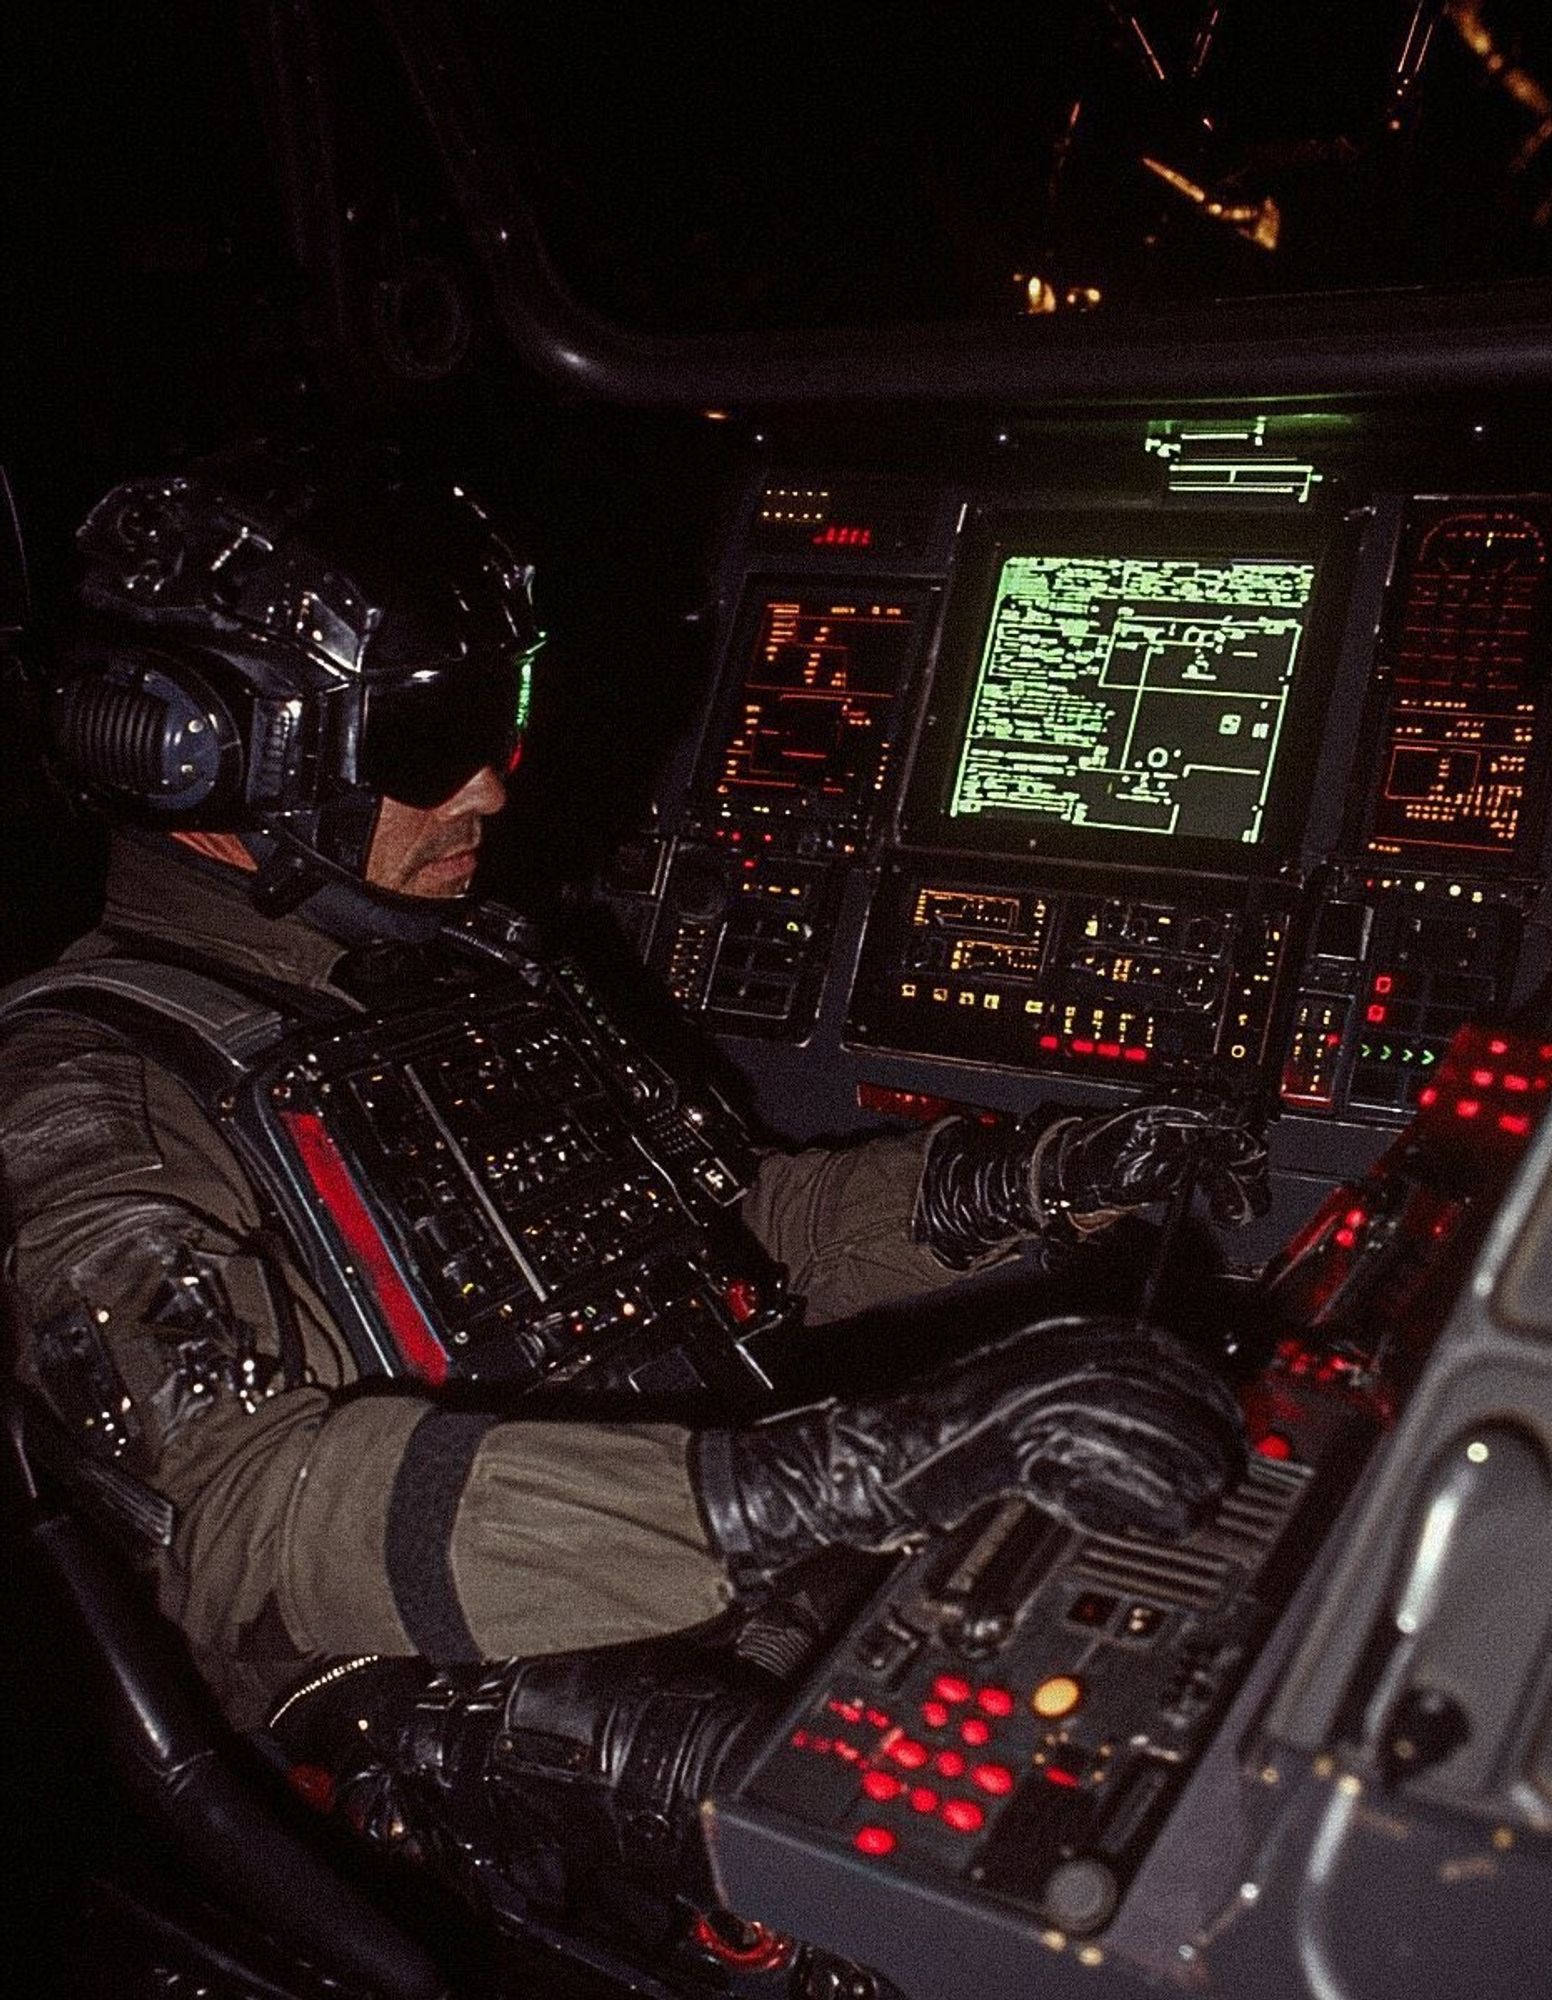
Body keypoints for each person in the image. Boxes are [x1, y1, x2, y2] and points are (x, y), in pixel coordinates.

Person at [0, 444, 1265, 1923]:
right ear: (196, 753)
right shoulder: (84, 1094)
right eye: (428, 737)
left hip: (725, 1546)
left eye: (499, 716)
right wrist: (835, 1475)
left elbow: (750, 1230)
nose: (486, 783)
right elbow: (253, 1514)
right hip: (477, 1679)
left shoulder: (459, 970)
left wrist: (1048, 1179)